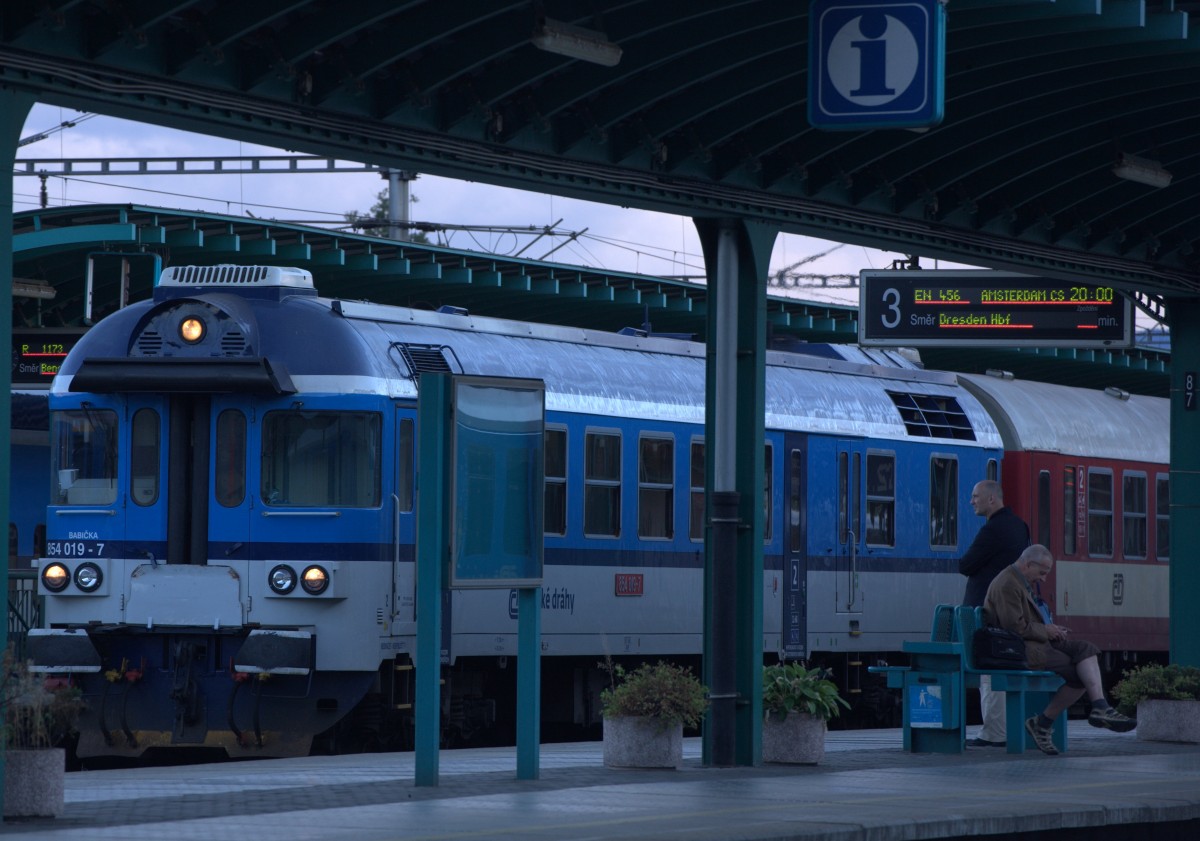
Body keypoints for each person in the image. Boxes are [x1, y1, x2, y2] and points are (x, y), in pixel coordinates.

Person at [983, 544, 1136, 755]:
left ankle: (1101, 706)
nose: (1044, 579)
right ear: (1028, 564)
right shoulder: (1007, 584)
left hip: (1034, 642)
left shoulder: (1019, 579)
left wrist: (1050, 629)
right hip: (1018, 650)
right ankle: (1044, 723)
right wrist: (1046, 630)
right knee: (1078, 675)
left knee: (1086, 648)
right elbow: (1014, 627)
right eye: (1042, 573)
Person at [959, 479, 1029, 748]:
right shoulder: (1019, 526)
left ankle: (994, 732)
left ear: (991, 499)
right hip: (1010, 605)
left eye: (975, 496)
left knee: (988, 669)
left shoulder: (993, 530)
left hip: (986, 609)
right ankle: (1000, 729)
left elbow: (966, 565)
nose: (971, 501)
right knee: (1002, 665)